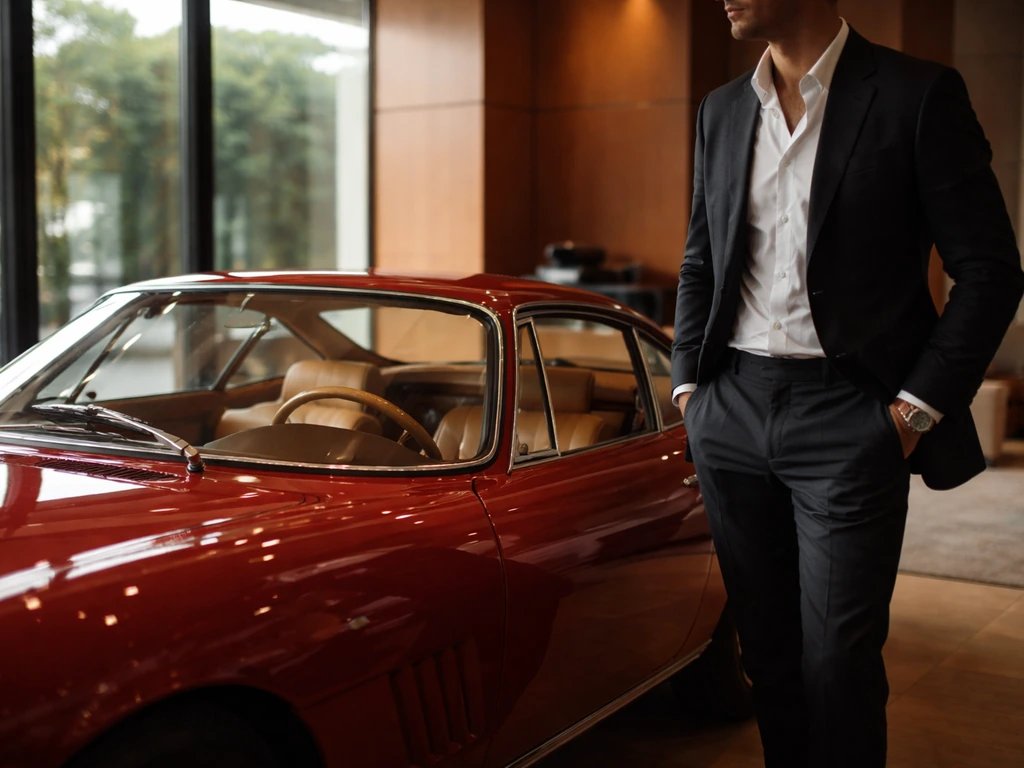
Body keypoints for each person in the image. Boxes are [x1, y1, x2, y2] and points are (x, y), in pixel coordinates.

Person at [672, 1, 1024, 766]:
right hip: (730, 411)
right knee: (768, 661)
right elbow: (701, 257)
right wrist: (691, 394)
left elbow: (991, 272)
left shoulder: (916, 94)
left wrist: (910, 416)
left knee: (838, 664)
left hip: (852, 417)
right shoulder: (722, 110)